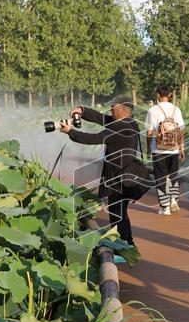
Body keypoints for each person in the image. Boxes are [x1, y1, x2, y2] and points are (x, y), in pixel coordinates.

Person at [62, 95, 144, 245]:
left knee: (117, 213)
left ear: (122, 108)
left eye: (113, 106)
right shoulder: (129, 122)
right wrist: (82, 111)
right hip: (123, 175)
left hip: (118, 177)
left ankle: (126, 243)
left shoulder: (121, 127)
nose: (111, 109)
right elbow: (101, 118)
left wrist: (70, 132)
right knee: (118, 212)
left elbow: (93, 139)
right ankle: (125, 243)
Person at [145, 85, 185, 215]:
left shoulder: (152, 110)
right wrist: (182, 148)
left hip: (158, 149)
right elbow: (180, 131)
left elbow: (149, 132)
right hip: (173, 149)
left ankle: (165, 207)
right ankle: (174, 199)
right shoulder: (176, 110)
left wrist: (148, 148)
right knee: (173, 175)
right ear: (170, 95)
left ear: (158, 95)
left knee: (160, 178)